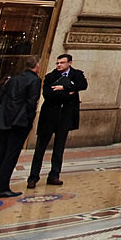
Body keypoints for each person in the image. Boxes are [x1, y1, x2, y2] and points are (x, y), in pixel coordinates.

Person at [27, 53, 88, 189]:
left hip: (65, 117)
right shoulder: (50, 76)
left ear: (69, 63)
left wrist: (64, 88)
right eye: (58, 63)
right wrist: (69, 92)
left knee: (59, 148)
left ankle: (54, 175)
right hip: (49, 116)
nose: (59, 65)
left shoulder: (77, 75)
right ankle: (33, 177)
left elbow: (82, 85)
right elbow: (48, 94)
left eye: (62, 63)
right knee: (40, 148)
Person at [0, 56, 41, 198]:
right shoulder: (34, 80)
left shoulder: (13, 79)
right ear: (37, 66)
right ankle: (2, 187)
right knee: (11, 155)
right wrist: (29, 120)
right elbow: (31, 102)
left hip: (5, 120)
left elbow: (1, 98)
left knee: (1, 153)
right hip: (20, 121)